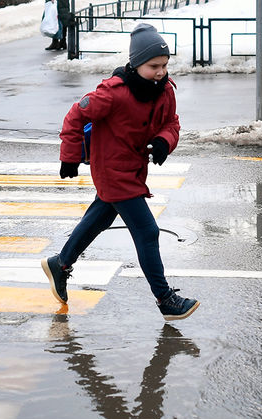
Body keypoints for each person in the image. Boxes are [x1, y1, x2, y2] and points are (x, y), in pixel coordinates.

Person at [41, 23, 200, 321]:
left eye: (165, 65)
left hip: (134, 169)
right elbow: (76, 115)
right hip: (112, 170)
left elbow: (171, 124)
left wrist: (164, 142)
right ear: (137, 63)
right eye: (154, 66)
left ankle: (60, 264)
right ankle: (165, 298)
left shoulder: (165, 91)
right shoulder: (112, 94)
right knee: (148, 231)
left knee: (100, 217)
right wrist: (70, 158)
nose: (161, 72)